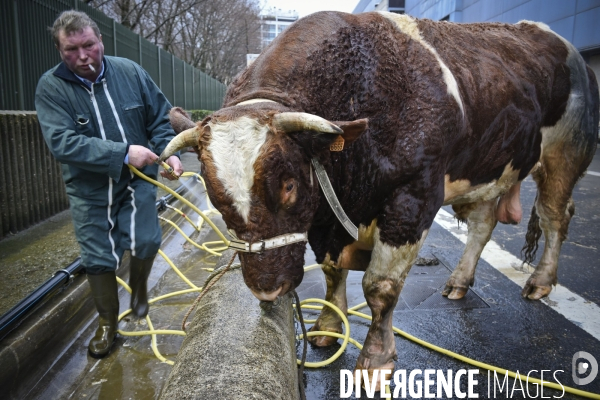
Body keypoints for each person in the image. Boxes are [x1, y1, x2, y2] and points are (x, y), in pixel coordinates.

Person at [35, 10, 183, 358]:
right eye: (71, 49)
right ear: (59, 50)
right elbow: (62, 142)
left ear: (100, 40)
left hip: (137, 181)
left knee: (146, 239)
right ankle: (107, 325)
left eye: (88, 45)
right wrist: (122, 153)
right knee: (98, 258)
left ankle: (139, 290)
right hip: (89, 189)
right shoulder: (51, 88)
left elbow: (160, 119)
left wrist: (171, 152)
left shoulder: (130, 72)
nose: (83, 56)